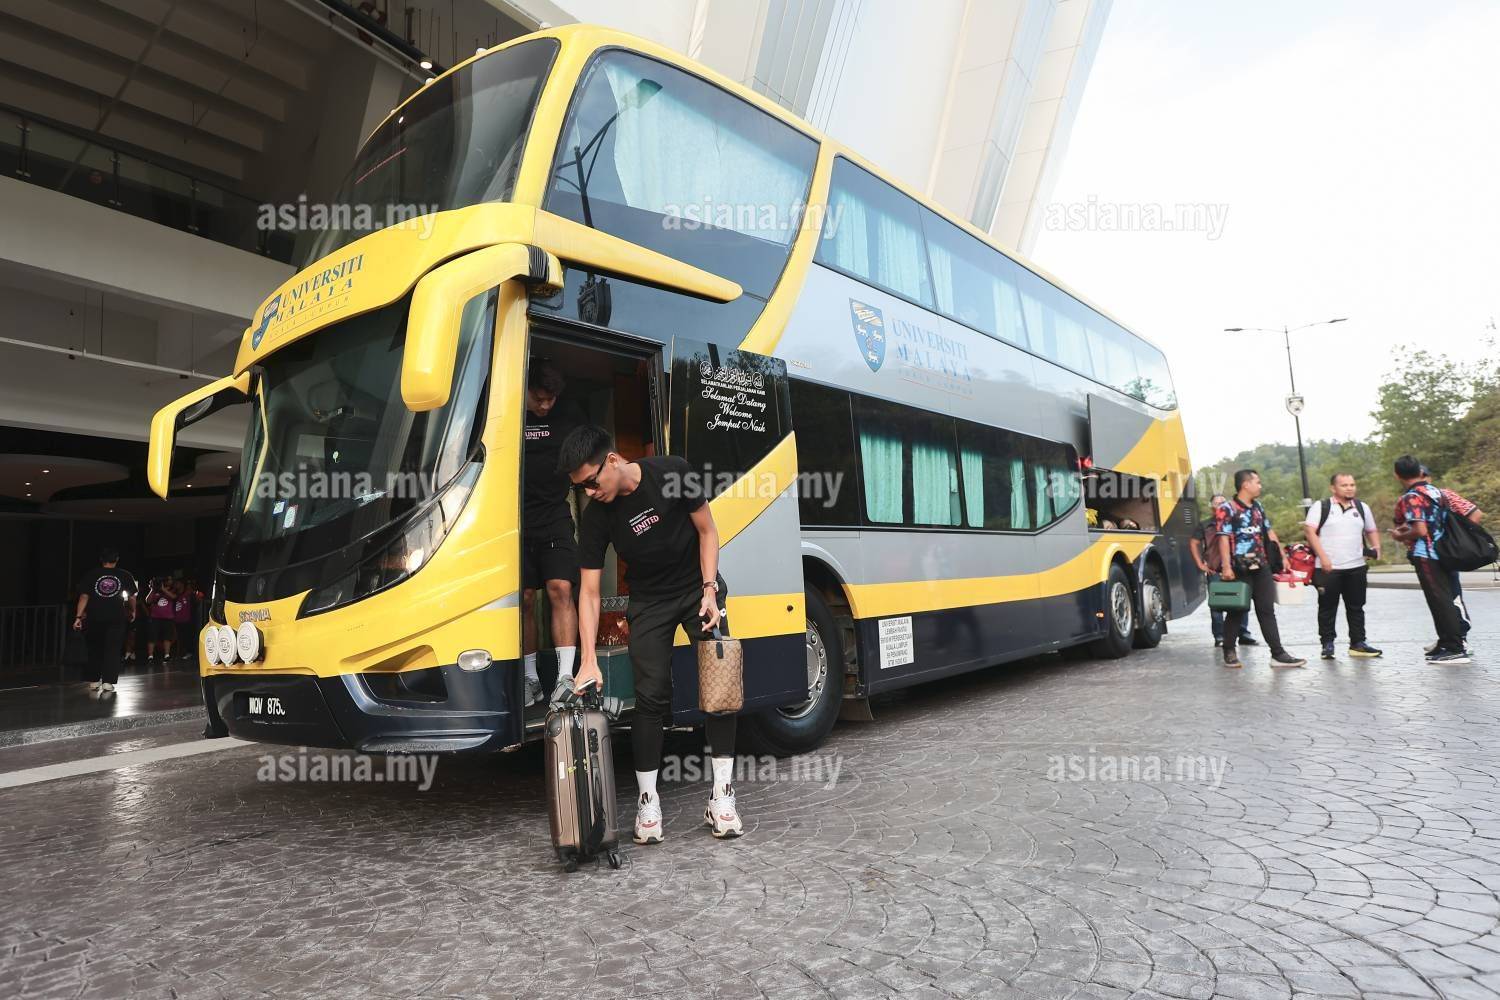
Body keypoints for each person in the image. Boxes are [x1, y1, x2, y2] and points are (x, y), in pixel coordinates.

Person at [560, 425, 743, 843]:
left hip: (697, 590)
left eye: (591, 482)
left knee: (721, 688)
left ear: (612, 461)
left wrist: (710, 590)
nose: (589, 492)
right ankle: (648, 800)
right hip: (649, 601)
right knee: (650, 697)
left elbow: (707, 530)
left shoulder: (673, 472)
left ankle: (722, 794)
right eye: (580, 487)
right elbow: (589, 592)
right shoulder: (597, 517)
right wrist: (587, 659)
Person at [521, 362, 582, 706]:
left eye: (551, 399)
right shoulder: (511, 414)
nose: (545, 405)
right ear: (526, 389)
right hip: (516, 519)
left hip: (555, 515)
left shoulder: (568, 417)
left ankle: (564, 678)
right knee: (525, 599)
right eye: (539, 398)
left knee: (561, 588)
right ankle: (530, 679)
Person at [1216, 470, 1307, 668]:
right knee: (1237, 610)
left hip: (1262, 566)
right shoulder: (1227, 509)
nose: (1260, 486)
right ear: (1245, 485)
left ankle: (1278, 654)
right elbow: (1223, 538)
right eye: (1257, 482)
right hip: (1239, 567)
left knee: (1266, 610)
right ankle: (1229, 650)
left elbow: (1269, 531)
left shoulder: (1258, 507)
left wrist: (1282, 556)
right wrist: (1226, 567)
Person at [1391, 456, 1471, 663]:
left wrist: (1399, 535)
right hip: (1446, 551)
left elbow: (1420, 529)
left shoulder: (1411, 497)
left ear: (1397, 475)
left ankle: (1454, 648)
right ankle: (1446, 643)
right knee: (1446, 598)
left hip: (1427, 553)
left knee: (1439, 600)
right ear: (1420, 472)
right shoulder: (1437, 491)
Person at [1303, 473, 1383, 660]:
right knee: (1327, 607)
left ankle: (1358, 643)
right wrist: (1323, 557)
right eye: (1344, 485)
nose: (1349, 488)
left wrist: (1376, 547)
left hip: (1356, 566)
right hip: (1328, 567)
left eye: (1352, 484)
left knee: (1356, 607)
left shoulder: (1362, 507)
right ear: (1333, 488)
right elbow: (1309, 531)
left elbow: (1371, 529)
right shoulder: (1321, 507)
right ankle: (1327, 644)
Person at [1190, 492, 1258, 648]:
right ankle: (1220, 636)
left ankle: (1243, 633)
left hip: (1237, 567)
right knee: (1217, 603)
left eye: (1223, 502)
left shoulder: (1235, 521)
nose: (1221, 505)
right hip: (1215, 569)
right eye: (1217, 503)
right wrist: (1200, 564)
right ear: (1211, 507)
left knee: (1242, 600)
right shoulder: (1205, 525)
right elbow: (1193, 543)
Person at [73, 548, 137, 694]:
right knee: (113, 649)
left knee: (94, 648)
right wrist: (133, 610)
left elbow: (84, 596)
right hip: (117, 617)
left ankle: (94, 681)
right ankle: (108, 682)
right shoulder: (125, 575)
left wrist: (78, 616)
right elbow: (132, 596)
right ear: (117, 559)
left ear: (101, 559)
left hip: (94, 617)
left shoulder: (92, 574)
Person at [144, 577, 177, 662]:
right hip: (155, 618)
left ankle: (167, 655)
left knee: (167, 637)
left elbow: (174, 597)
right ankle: (150, 656)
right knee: (152, 637)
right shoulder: (154, 591)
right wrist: (152, 589)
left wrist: (163, 589)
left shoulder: (172, 590)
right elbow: (147, 601)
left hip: (168, 618)